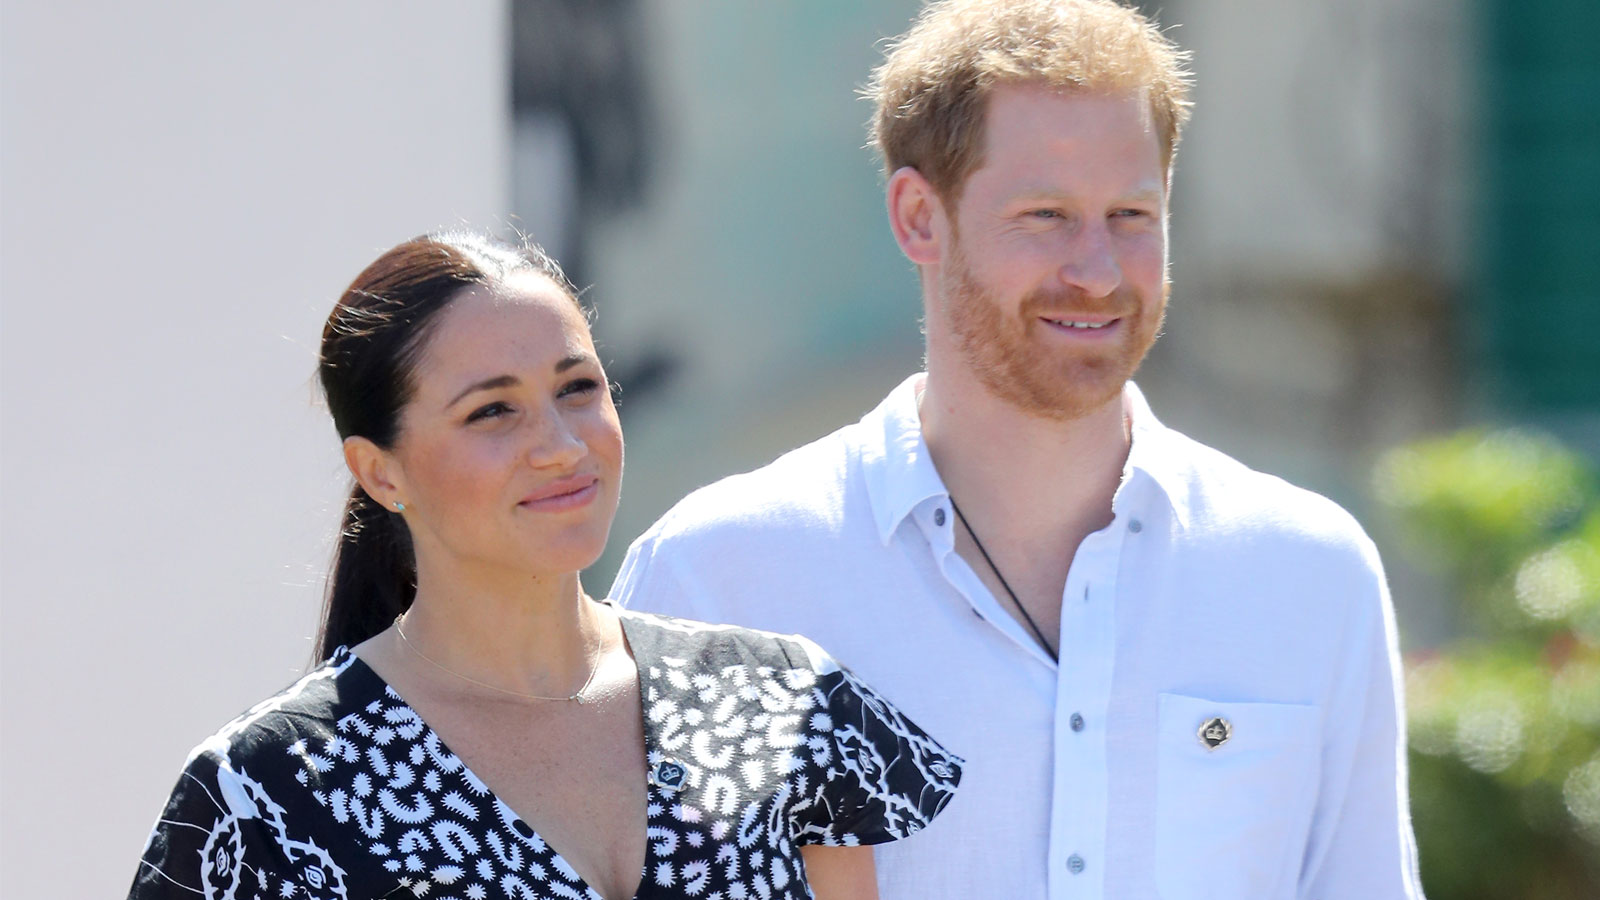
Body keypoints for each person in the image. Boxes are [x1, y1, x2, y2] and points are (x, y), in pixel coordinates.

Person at [609, 1, 1424, 898]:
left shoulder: (1309, 574)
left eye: (1131, 215)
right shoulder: (723, 582)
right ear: (920, 217)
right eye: (1046, 216)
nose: (1100, 270)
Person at [126, 232, 961, 900]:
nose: (562, 448)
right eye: (493, 411)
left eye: (577, 388)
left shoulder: (779, 702)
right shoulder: (266, 793)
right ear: (381, 472)